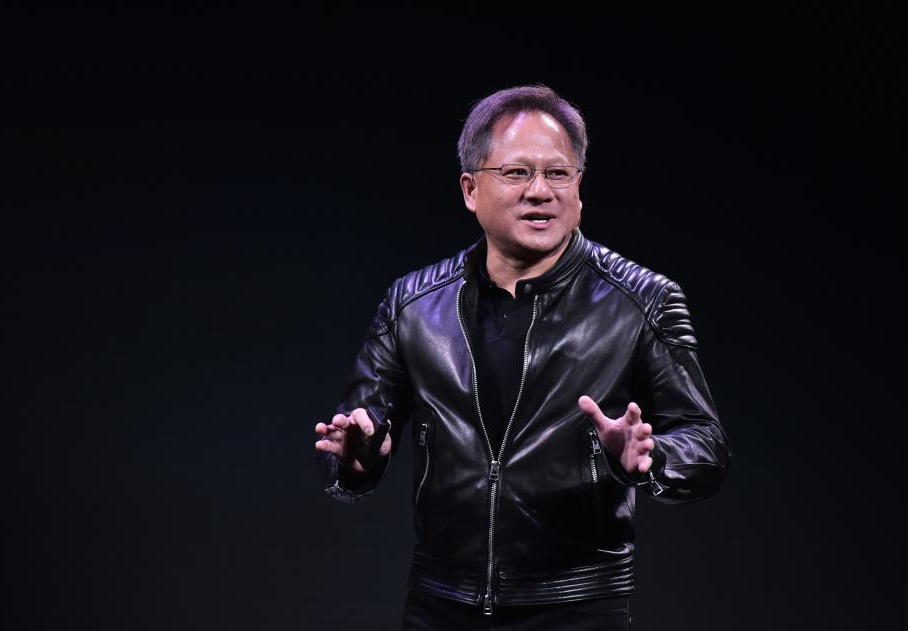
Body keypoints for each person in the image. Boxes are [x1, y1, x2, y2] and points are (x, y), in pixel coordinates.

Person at [313, 85, 732, 630]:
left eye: (558, 174)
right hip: (441, 603)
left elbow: (706, 443)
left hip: (578, 607)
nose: (541, 191)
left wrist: (653, 458)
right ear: (470, 188)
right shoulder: (413, 305)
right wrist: (357, 456)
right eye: (516, 173)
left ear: (579, 187)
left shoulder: (642, 300)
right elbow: (350, 436)